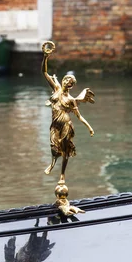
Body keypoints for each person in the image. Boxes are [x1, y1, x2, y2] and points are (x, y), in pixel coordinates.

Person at [41, 42, 95, 185]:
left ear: (71, 85)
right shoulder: (56, 89)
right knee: (53, 147)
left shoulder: (71, 100)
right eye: (65, 79)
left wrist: (89, 127)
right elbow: (45, 73)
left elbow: (79, 116)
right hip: (55, 123)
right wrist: (45, 58)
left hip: (66, 124)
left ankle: (62, 175)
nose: (66, 82)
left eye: (69, 81)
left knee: (65, 150)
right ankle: (52, 163)